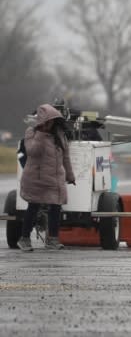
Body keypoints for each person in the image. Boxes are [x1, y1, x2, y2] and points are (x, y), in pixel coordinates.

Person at [17, 104, 76, 252]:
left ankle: (53, 240)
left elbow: (66, 157)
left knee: (56, 208)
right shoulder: (31, 132)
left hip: (55, 180)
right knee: (34, 207)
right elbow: (32, 152)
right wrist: (41, 134)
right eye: (47, 121)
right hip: (36, 179)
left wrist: (70, 175)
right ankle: (24, 239)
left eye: (52, 121)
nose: (50, 124)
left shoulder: (60, 135)